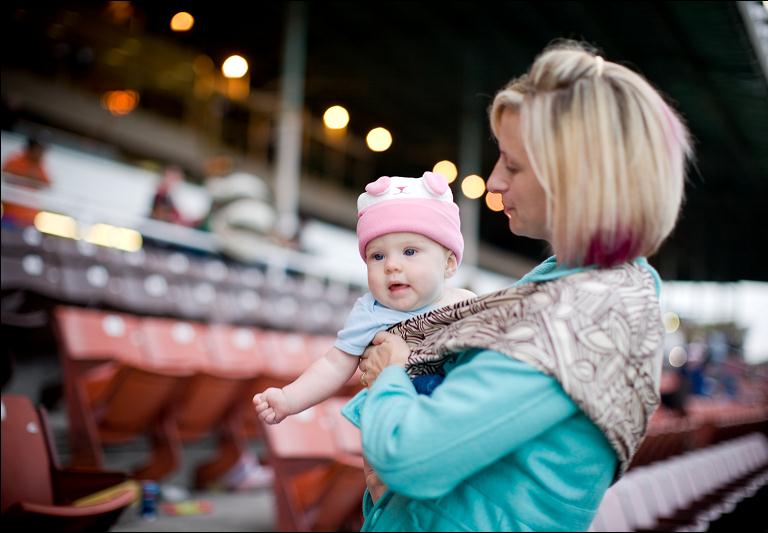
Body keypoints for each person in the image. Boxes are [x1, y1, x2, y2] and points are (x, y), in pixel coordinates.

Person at [344, 40, 692, 531]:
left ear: (576, 177)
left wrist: (387, 380)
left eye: (512, 164)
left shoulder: (574, 316)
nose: (493, 181)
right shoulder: (598, 291)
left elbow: (411, 457)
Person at [253, 172, 476, 425]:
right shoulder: (371, 312)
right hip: (394, 426)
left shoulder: (467, 304)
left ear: (448, 264)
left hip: (455, 422)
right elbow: (334, 365)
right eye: (377, 256)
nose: (391, 265)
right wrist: (288, 399)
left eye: (410, 251)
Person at [1, 137, 53, 226]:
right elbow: (6, 176)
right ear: (30, 148)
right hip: (10, 214)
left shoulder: (39, 166)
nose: (41, 153)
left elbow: (48, 184)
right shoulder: (15, 160)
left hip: (29, 218)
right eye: (39, 149)